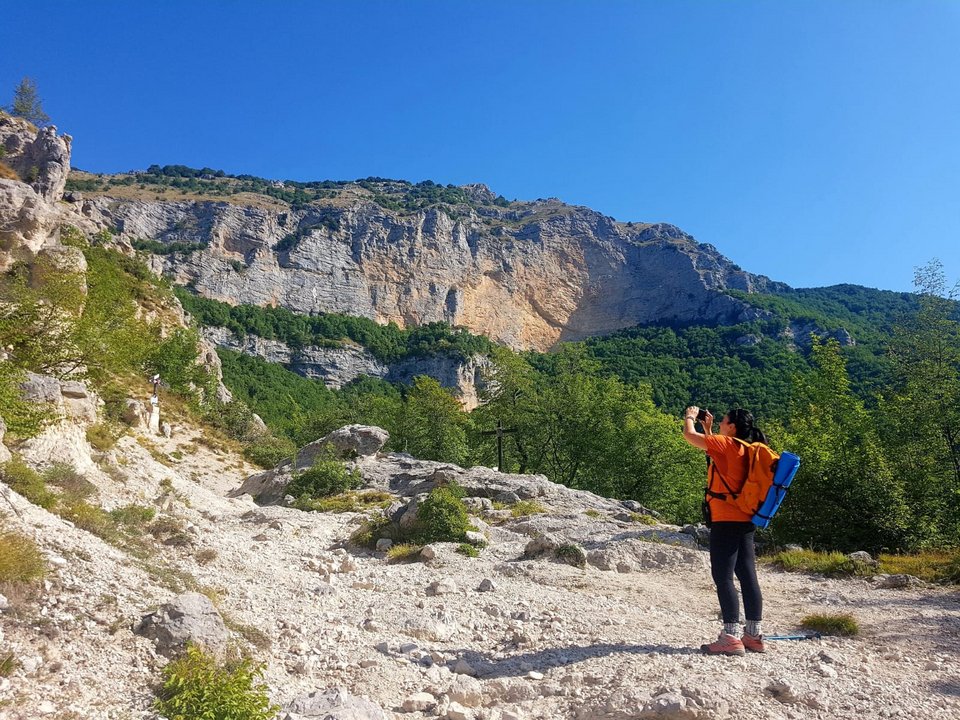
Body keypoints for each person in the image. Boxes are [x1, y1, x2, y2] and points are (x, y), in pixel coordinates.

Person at [682, 406, 767, 656]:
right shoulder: (746, 448)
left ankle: (730, 636)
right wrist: (708, 429)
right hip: (746, 518)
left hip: (725, 519)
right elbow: (720, 459)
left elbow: (689, 436)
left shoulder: (726, 444)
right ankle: (753, 636)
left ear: (732, 427)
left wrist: (689, 417)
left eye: (723, 421)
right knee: (748, 574)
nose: (720, 423)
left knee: (723, 576)